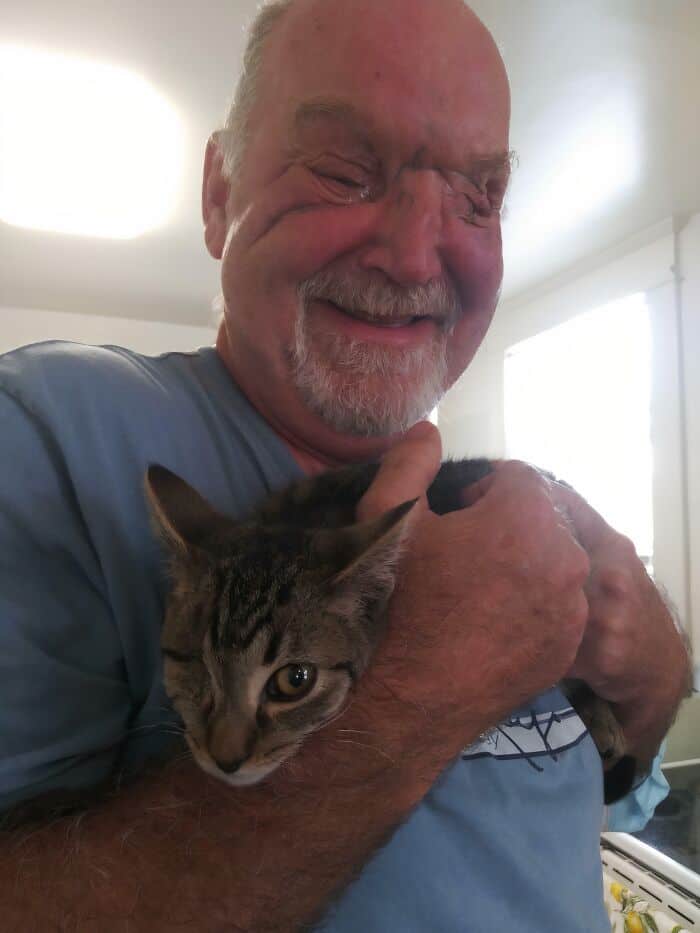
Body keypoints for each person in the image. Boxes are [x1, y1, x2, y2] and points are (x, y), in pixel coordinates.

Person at [0, 0, 690, 929]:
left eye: (478, 197)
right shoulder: (50, 432)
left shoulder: (510, 500)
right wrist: (426, 681)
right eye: (341, 171)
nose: (414, 255)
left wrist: (651, 688)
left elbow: (580, 807)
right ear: (218, 195)